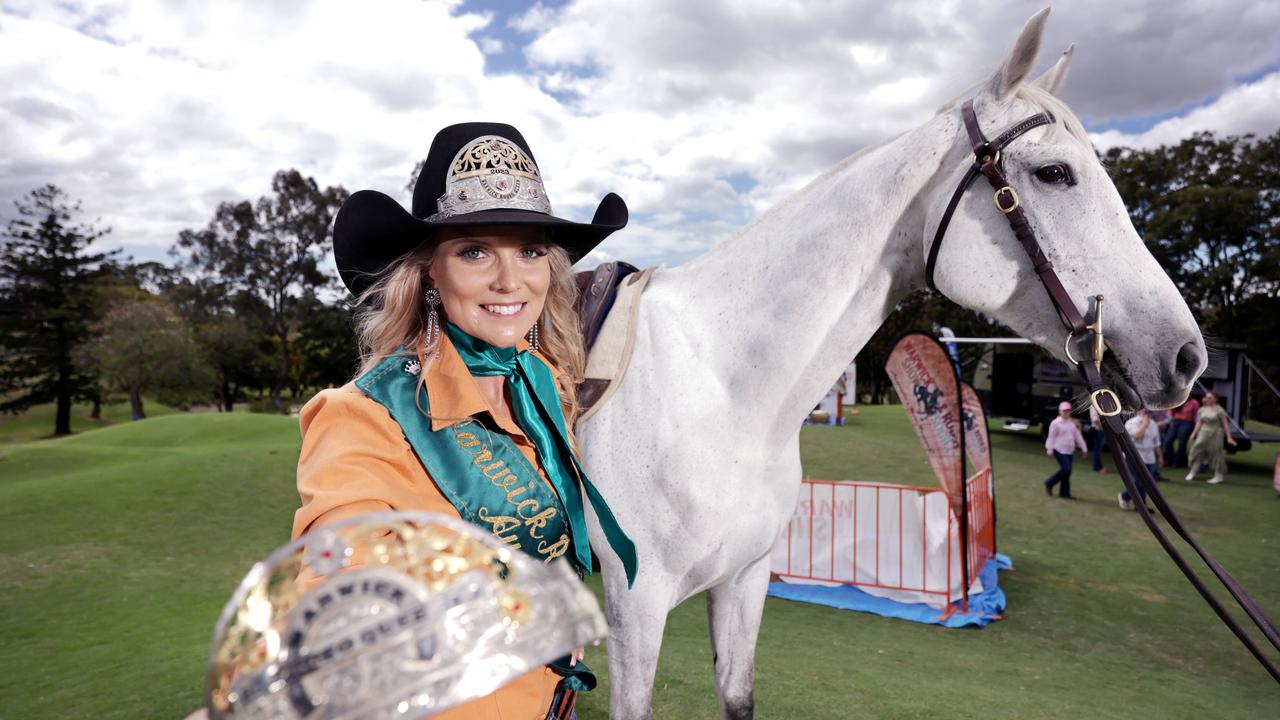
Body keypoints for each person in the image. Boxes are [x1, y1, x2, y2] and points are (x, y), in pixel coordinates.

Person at [291, 123, 637, 719]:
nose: (510, 281)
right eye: (474, 251)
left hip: (555, 702)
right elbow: (339, 602)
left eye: (530, 251)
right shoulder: (359, 418)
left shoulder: (542, 380)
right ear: (429, 271)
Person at [1185, 391, 1236, 484]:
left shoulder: (1219, 410)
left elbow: (1225, 424)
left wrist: (1229, 437)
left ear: (1215, 399)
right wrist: (1193, 434)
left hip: (1216, 433)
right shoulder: (1202, 410)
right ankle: (1192, 472)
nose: (1207, 399)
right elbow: (1199, 423)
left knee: (1216, 454)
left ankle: (1218, 476)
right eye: (1206, 397)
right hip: (1203, 433)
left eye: (1210, 398)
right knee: (1197, 451)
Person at [1118, 407, 1163, 510]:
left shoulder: (1153, 424)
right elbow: (1136, 435)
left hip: (1150, 458)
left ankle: (1141, 505)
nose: (1148, 413)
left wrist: (1160, 457)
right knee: (1140, 481)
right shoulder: (1131, 423)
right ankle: (1125, 496)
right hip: (1134, 457)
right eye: (1145, 411)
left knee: (1147, 484)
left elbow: (1156, 443)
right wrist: (1144, 424)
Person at [1044, 400, 1086, 498]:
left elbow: (1077, 436)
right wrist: (1049, 450)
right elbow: (1051, 437)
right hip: (1059, 449)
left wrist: (1084, 448)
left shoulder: (1072, 423)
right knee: (1066, 469)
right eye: (1064, 411)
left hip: (1070, 451)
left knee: (1067, 472)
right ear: (1060, 411)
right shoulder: (1055, 423)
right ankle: (1049, 483)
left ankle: (1064, 493)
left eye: (1068, 410)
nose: (1066, 412)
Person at [1164, 394, 1201, 468]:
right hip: (1175, 421)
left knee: (1182, 442)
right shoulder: (1178, 399)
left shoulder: (1194, 403)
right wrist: (1171, 420)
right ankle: (1170, 459)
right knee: (1168, 441)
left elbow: (1196, 416)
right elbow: (1170, 411)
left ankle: (1177, 462)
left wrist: (1195, 429)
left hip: (1187, 422)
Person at [1088, 404, 1107, 473]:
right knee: (1097, 450)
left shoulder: (1097, 405)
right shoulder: (1094, 405)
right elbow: (1095, 420)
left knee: (1097, 449)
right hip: (1098, 430)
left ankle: (1098, 466)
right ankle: (1097, 467)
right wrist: (1104, 427)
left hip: (1099, 429)